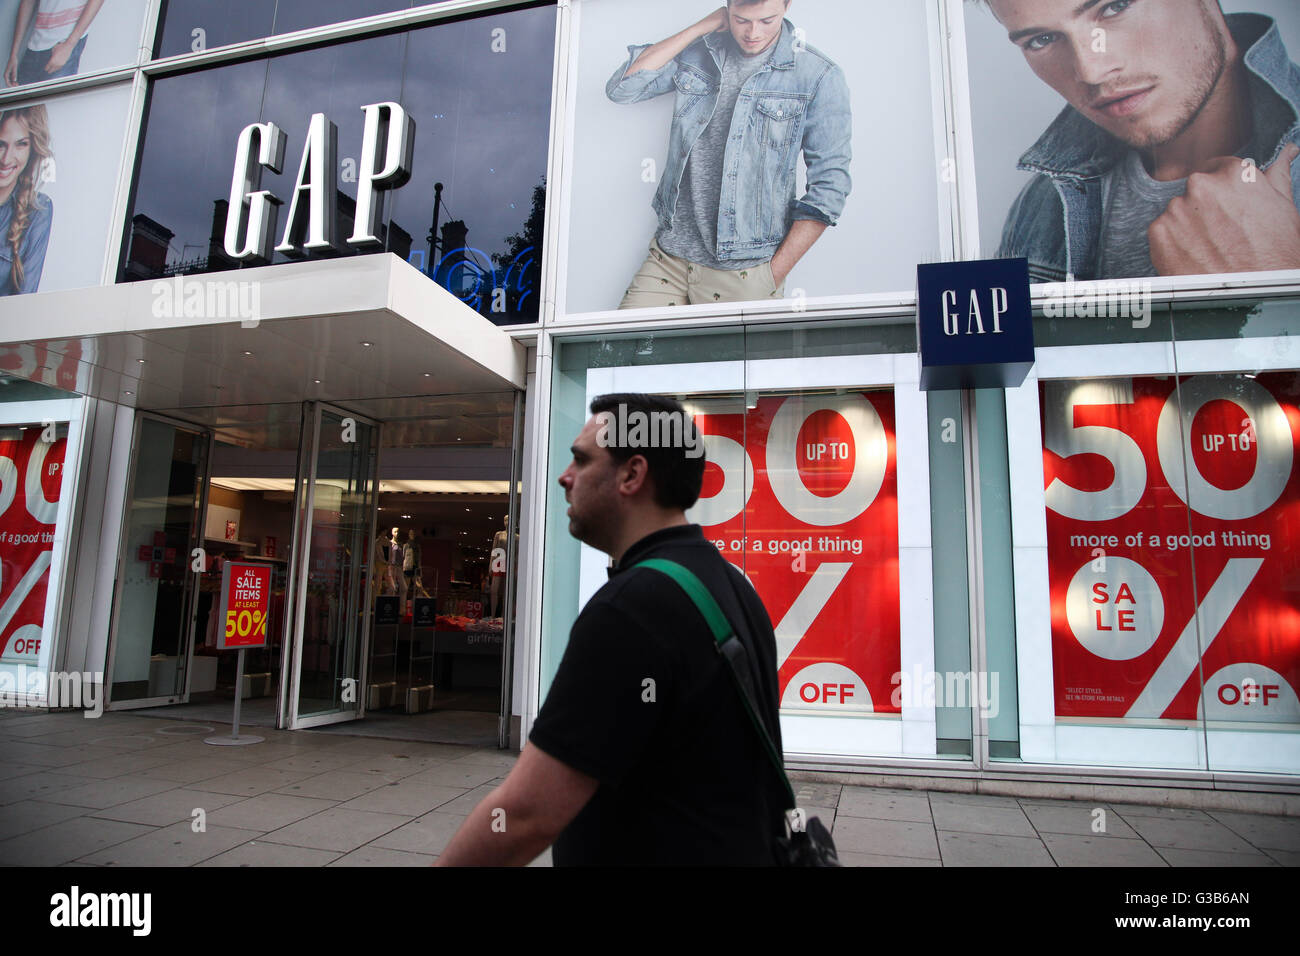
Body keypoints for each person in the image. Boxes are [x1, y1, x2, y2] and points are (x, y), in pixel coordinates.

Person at [436, 394, 788, 865]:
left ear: (632, 474)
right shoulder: (731, 585)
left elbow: (524, 815)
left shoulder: (633, 609)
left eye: (581, 460)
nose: (565, 476)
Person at [980, 0, 1300, 282]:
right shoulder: (1044, 200)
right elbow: (992, 352)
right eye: (1042, 40)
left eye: (1115, 7)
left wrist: (1274, 277)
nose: (1092, 71)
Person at [607, 0, 851, 309]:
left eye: (767, 20)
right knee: (619, 354)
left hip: (746, 272)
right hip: (669, 256)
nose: (752, 33)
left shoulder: (818, 76)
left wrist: (771, 276)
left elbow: (830, 188)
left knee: (723, 360)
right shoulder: (701, 52)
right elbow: (622, 89)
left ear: (787, 6)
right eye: (741, 20)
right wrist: (702, 26)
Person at [0, 104, 52, 296]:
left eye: (20, 144)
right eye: (1, 144)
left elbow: (25, 297)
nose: (6, 159)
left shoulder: (38, 209)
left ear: (33, 149)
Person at [6, 0, 104, 87]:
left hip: (64, 45)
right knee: (24, 105)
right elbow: (28, 2)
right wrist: (14, 54)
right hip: (36, 46)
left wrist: (69, 45)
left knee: (50, 104)